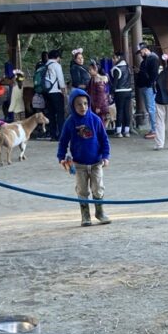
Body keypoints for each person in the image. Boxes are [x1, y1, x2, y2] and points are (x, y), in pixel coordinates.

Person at [57, 88, 112, 227]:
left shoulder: (95, 120)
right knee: (82, 190)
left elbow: (104, 139)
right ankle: (85, 215)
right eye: (79, 104)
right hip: (79, 164)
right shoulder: (70, 122)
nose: (83, 107)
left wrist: (105, 156)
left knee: (98, 188)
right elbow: (63, 141)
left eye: (85, 103)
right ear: (73, 106)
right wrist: (61, 157)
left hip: (96, 163)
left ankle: (100, 212)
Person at [136, 43, 160, 139]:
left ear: (145, 49)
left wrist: (148, 83)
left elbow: (154, 75)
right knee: (150, 108)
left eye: (141, 52)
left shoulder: (153, 58)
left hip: (148, 87)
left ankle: (155, 129)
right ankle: (154, 129)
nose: (140, 54)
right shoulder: (149, 59)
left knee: (151, 109)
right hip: (146, 86)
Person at [42, 49, 67, 141]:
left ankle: (53, 135)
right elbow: (61, 80)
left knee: (51, 114)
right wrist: (64, 91)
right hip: (56, 92)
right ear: (57, 57)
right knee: (60, 114)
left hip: (46, 93)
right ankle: (61, 134)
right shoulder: (56, 65)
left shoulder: (45, 65)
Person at [110, 49, 133, 138]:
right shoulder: (127, 67)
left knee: (119, 111)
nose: (113, 60)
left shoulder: (117, 69)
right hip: (128, 91)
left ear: (118, 58)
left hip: (119, 92)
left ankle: (118, 131)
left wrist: (111, 93)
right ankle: (126, 131)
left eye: (114, 58)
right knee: (126, 111)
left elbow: (115, 83)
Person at [86, 60, 111, 125]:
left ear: (95, 69)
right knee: (96, 122)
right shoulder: (92, 79)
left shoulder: (99, 80)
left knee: (100, 123)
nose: (89, 71)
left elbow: (101, 95)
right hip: (94, 105)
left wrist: (98, 107)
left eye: (90, 69)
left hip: (99, 106)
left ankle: (101, 135)